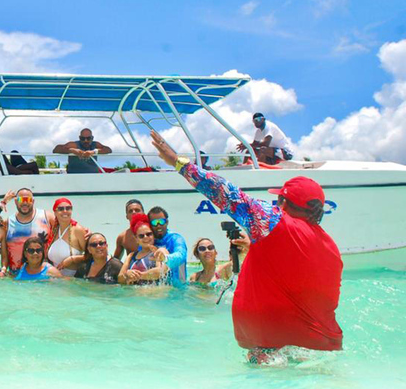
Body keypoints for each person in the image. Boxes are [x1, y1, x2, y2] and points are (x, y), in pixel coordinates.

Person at [151, 130, 343, 363]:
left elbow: (227, 193)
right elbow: (297, 278)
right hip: (321, 347)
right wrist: (256, 246)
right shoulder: (331, 248)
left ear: (283, 202)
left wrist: (179, 163)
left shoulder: (273, 220)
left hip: (272, 349)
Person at [1, 188, 53, 273]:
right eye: (21, 199)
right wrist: (3, 203)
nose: (25, 203)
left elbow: (67, 226)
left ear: (33, 201)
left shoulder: (47, 217)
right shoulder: (7, 223)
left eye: (28, 199)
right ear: (15, 201)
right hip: (15, 276)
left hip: (42, 275)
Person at [118, 214, 169, 285]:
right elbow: (120, 278)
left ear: (153, 235)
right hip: (134, 294)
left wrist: (139, 275)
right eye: (141, 236)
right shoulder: (131, 256)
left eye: (149, 234)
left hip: (154, 294)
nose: (145, 237)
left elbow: (161, 271)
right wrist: (127, 274)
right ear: (136, 239)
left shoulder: (160, 251)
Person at [46, 198, 87, 276]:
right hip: (55, 279)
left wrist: (72, 259)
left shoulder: (78, 230)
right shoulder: (54, 230)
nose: (65, 211)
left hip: (73, 280)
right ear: (55, 212)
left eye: (68, 208)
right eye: (61, 209)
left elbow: (91, 255)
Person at [147, 206, 187, 284]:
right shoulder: (148, 240)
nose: (158, 225)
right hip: (158, 289)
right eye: (154, 222)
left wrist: (165, 258)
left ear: (167, 222)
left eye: (161, 221)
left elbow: (181, 255)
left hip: (178, 288)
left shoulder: (176, 239)